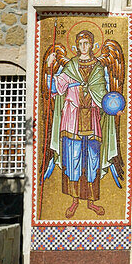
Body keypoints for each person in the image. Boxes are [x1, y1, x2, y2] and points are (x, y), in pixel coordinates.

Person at [48, 30, 122, 218]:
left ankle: (91, 202)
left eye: (86, 43)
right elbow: (56, 87)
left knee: (92, 159)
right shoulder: (71, 66)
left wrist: (114, 108)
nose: (83, 47)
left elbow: (103, 94)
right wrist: (49, 68)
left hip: (93, 119)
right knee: (73, 159)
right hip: (72, 119)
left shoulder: (98, 67)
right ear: (76, 45)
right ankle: (74, 201)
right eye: (80, 43)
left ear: (92, 45)